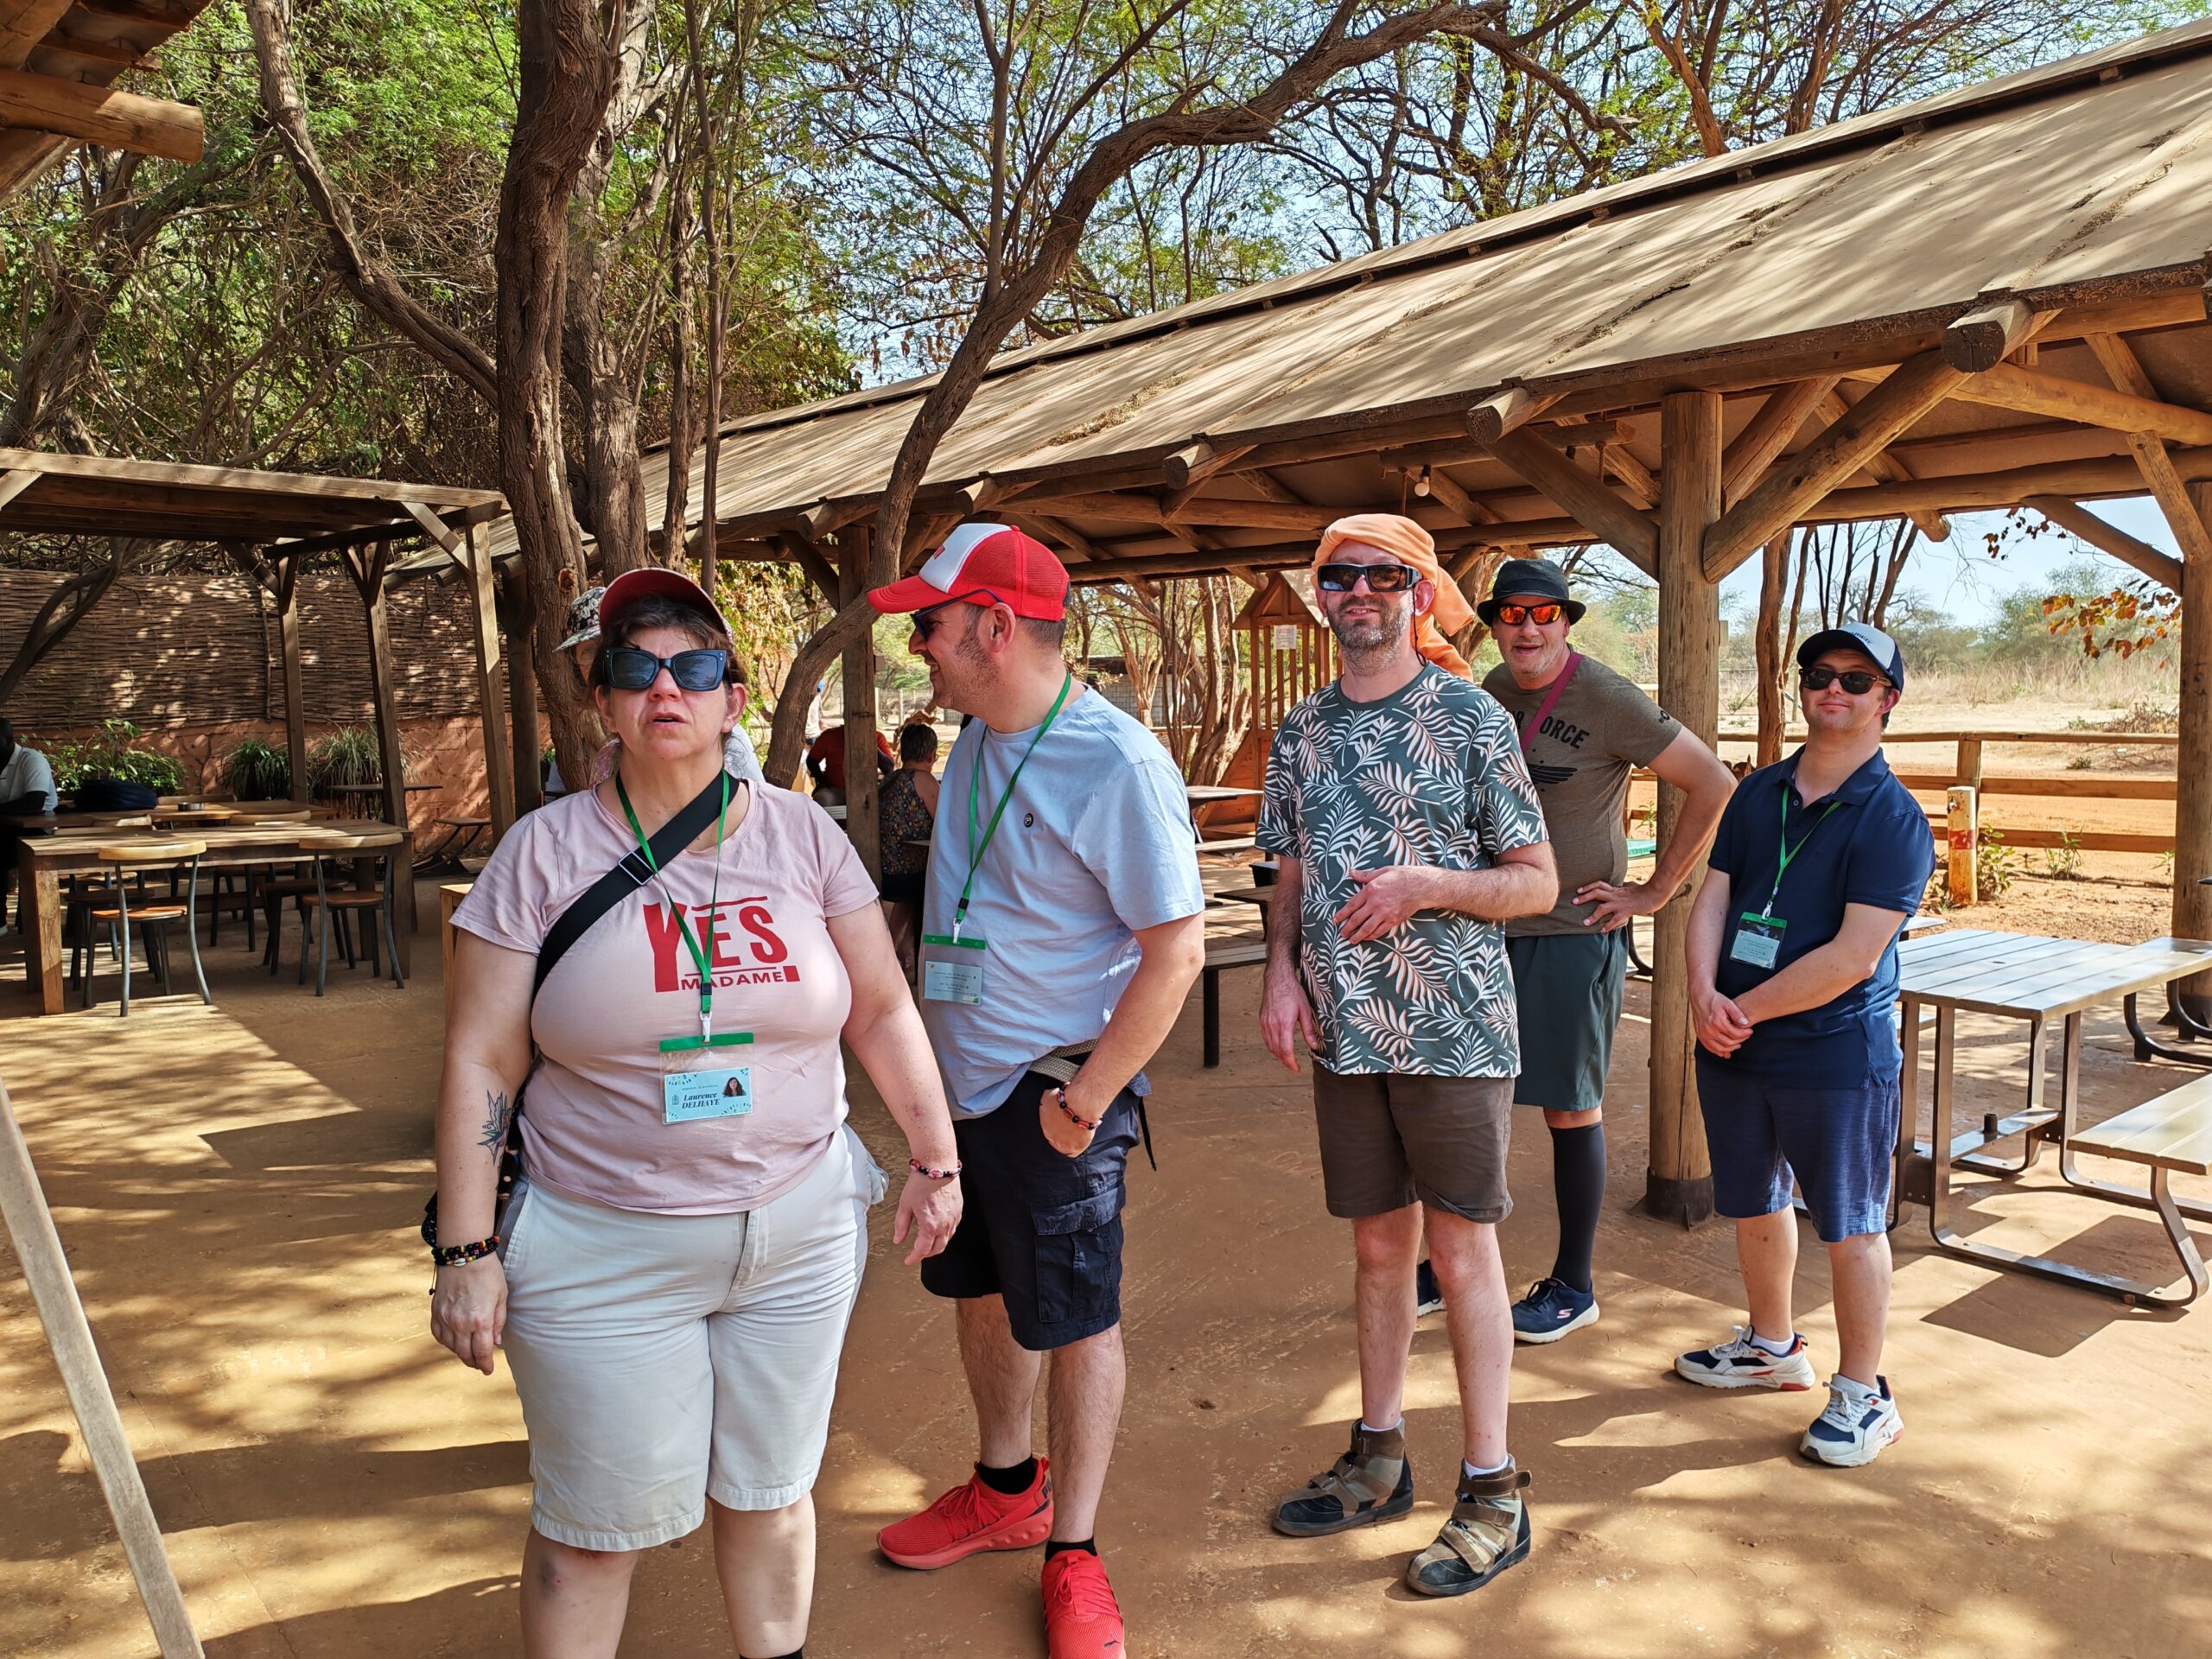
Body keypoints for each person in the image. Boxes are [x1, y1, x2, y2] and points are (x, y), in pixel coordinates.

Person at [430, 565, 964, 1659]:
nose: (664, 688)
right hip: (602, 1242)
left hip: (797, 1231)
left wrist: (934, 1156)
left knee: (772, 1494)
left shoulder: (804, 838)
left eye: (695, 666)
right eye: (634, 668)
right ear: (602, 701)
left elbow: (880, 1008)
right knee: (593, 1532)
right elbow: (481, 1056)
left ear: (732, 697)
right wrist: (467, 1248)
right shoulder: (542, 854)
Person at [864, 522, 1206, 1659]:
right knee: (982, 1291)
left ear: (997, 627)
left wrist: (1086, 1101)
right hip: (961, 1094)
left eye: (932, 622)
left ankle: (1077, 1548)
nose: (917, 641)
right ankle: (1007, 1488)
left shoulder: (1116, 765)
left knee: (1077, 1317)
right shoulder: (976, 741)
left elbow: (1177, 952)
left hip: (1054, 1093)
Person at [1258, 513, 1557, 1599]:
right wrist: (1279, 972)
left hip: (1454, 1031)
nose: (1359, 594)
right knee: (1380, 1249)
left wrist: (1428, 885)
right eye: (1339, 578)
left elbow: (1536, 882)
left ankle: (1493, 1489)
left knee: (1461, 1254)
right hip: (1347, 1031)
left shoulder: (1470, 718)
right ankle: (1379, 1455)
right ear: (1322, 596)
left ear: (1419, 594)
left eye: (1383, 577)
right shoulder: (1302, 730)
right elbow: (1287, 869)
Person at [1677, 620, 1933, 1469]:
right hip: (1734, 1039)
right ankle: (1771, 1346)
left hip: (1832, 1051)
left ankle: (1864, 1393)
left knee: (1850, 1223)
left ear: (1887, 700)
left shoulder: (1893, 819)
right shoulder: (1759, 793)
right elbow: (1714, 896)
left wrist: (1738, 1009)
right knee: (1755, 1201)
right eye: (1820, 674)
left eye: (1857, 681)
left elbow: (1853, 957)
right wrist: (1700, 993)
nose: (1833, 689)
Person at [1476, 558, 1735, 1343]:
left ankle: (1574, 1284)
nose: (1528, 628)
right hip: (1486, 930)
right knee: (1467, 1102)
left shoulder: (1607, 696)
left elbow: (1713, 783)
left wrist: (1656, 891)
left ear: (1565, 622)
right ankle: (1452, 1264)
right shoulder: (1491, 690)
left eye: (1544, 613)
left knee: (1569, 1107)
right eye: (1512, 614)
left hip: (1570, 935)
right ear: (1495, 625)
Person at [544, 582, 765, 798]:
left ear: (732, 705)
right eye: (587, 652)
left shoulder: (727, 741)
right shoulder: (594, 747)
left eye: (693, 668)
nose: (665, 686)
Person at [879, 721, 940, 976]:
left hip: (883, 866)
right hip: (907, 871)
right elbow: (945, 823)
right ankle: (899, 950)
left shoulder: (889, 779)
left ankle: (897, 950)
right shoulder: (923, 779)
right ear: (932, 755)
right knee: (931, 884)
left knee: (914, 893)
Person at [0, 717, 58, 931]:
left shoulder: (31, 760)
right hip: (8, 828)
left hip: (40, 831)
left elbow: (35, 802)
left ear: (9, 740)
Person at [804, 722, 894, 806]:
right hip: (835, 791)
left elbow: (889, 768)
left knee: (887, 802)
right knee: (821, 799)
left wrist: (871, 743)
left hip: (867, 793)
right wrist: (822, 781)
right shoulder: (830, 736)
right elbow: (811, 761)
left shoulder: (877, 737)